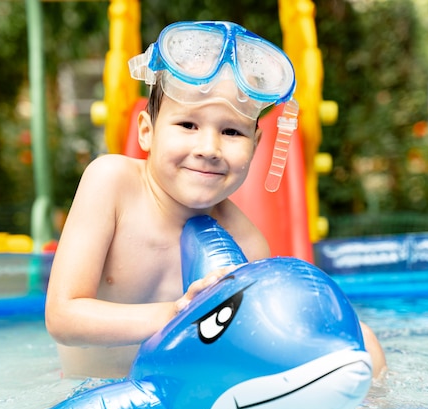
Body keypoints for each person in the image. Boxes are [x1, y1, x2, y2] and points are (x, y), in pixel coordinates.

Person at [45, 21, 386, 380]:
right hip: (92, 396)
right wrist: (179, 314)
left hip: (183, 398)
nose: (208, 149)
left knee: (364, 343)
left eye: (231, 131)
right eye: (188, 125)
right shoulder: (111, 183)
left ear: (256, 145)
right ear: (146, 132)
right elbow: (63, 317)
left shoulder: (248, 243)